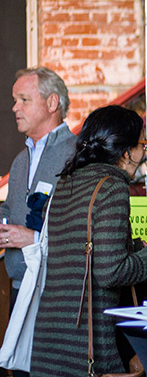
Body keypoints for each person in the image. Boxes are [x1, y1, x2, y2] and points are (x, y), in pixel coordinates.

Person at [30, 105, 147, 376]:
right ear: (126, 152)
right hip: (89, 347)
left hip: (52, 341)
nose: (143, 153)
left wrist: (142, 247)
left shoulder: (66, 182)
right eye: (142, 145)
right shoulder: (112, 186)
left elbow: (83, 245)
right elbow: (111, 271)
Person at [0, 67, 76, 375]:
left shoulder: (77, 155)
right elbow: (9, 209)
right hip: (20, 288)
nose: (14, 107)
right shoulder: (21, 161)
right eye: (15, 100)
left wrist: (33, 239)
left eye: (23, 99)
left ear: (52, 103)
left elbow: (86, 228)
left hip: (57, 294)